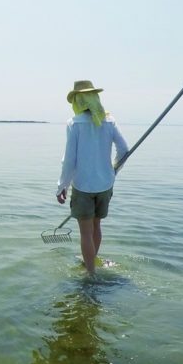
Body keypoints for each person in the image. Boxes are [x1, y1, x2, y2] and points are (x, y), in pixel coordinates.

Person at [56, 81, 129, 275]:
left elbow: (69, 160)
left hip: (83, 186)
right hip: (105, 184)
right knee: (96, 226)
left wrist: (61, 186)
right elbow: (124, 150)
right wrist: (113, 170)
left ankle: (90, 274)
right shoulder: (109, 121)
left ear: (78, 100)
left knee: (85, 233)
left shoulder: (74, 124)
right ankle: (91, 261)